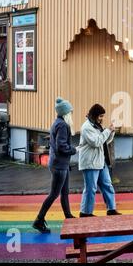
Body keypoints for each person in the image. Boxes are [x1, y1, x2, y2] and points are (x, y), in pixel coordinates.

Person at [33, 97, 77, 234]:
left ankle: (68, 216)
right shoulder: (63, 125)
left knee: (64, 192)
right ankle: (39, 220)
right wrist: (74, 150)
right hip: (59, 166)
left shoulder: (57, 122)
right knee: (54, 194)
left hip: (59, 163)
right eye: (70, 112)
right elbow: (61, 146)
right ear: (65, 113)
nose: (71, 114)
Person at [78, 104, 121, 217]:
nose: (102, 119)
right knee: (90, 189)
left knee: (107, 185)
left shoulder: (96, 126)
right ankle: (85, 212)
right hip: (90, 163)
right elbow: (96, 142)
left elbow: (104, 141)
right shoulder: (86, 127)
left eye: (103, 116)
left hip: (100, 161)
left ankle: (111, 209)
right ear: (95, 115)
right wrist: (107, 130)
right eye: (100, 116)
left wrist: (111, 132)